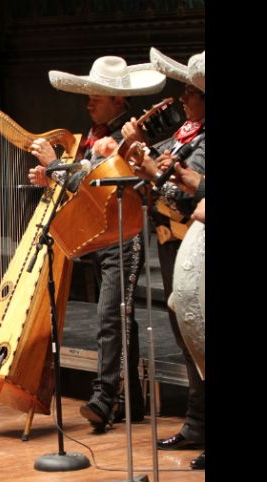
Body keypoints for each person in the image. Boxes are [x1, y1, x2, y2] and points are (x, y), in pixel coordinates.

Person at [27, 56, 166, 432]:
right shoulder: (93, 136)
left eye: (98, 94)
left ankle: (106, 397)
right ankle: (131, 399)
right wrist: (53, 174)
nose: (89, 99)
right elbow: (83, 188)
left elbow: (98, 187)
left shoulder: (129, 137)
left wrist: (56, 166)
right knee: (118, 317)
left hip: (124, 234)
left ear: (119, 101)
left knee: (111, 317)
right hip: (101, 234)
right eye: (89, 93)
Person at [122, 49, 206, 469]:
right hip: (173, 244)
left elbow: (188, 196)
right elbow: (152, 176)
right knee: (186, 335)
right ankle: (197, 422)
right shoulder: (184, 136)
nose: (184, 96)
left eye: (191, 90)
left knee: (202, 335)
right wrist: (141, 158)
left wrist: (155, 173)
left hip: (197, 243)